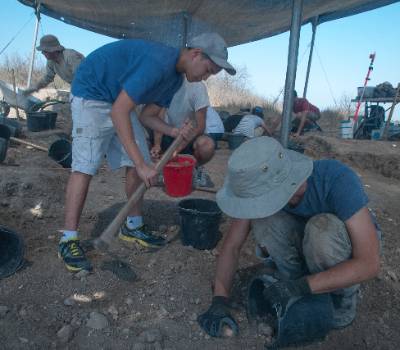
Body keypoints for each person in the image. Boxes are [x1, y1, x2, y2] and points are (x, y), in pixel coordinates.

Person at [58, 32, 236, 272]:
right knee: (85, 166)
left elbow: (147, 116)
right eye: (208, 70)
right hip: (92, 91)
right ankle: (68, 239)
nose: (207, 76)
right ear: (196, 54)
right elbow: (120, 111)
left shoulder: (174, 79)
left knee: (136, 159)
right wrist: (142, 163)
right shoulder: (158, 62)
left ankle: (132, 225)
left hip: (116, 99)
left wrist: (174, 131)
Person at [198, 136, 380, 338]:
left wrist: (302, 286)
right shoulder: (263, 187)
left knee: (321, 229)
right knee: (264, 220)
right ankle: (294, 291)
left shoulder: (336, 180)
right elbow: (232, 246)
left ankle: (340, 300)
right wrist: (219, 300)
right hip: (306, 245)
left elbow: (369, 263)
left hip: (341, 247)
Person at [150, 78, 216, 187]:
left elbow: (200, 127)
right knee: (142, 141)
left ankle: (196, 169)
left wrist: (176, 150)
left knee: (207, 146)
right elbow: (158, 118)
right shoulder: (163, 83)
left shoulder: (198, 87)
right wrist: (157, 145)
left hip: (189, 137)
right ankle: (160, 169)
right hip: (166, 134)